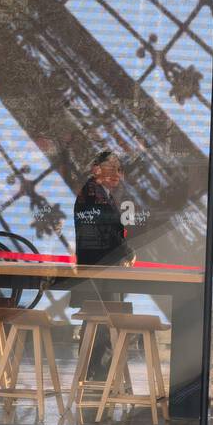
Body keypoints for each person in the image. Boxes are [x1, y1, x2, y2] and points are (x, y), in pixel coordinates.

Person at [73, 149, 134, 374]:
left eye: (118, 169)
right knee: (104, 322)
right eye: (110, 168)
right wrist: (127, 252)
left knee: (97, 322)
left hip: (98, 269)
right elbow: (108, 231)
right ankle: (98, 374)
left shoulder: (95, 193)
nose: (115, 174)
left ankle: (93, 372)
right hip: (101, 271)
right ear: (96, 169)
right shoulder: (93, 194)